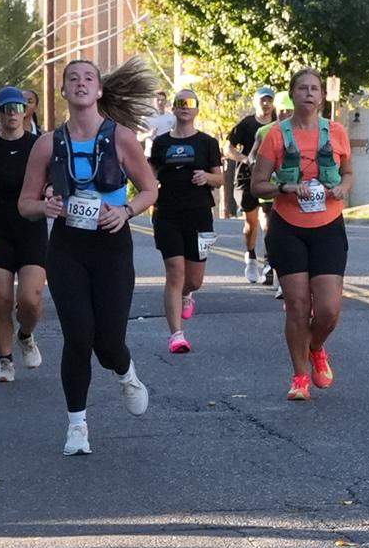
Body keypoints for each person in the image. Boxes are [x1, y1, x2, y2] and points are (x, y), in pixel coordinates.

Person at [18, 58, 162, 456]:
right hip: (68, 247)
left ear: (99, 90)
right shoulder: (48, 143)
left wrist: (126, 211)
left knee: (109, 342)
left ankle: (126, 373)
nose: (80, 83)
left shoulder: (121, 137)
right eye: (72, 79)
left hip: (111, 245)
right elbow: (25, 203)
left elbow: (150, 189)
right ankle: (77, 426)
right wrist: (44, 207)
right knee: (78, 337)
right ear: (63, 91)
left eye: (88, 78)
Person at [250, 69, 352, 399]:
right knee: (297, 304)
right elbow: (257, 185)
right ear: (292, 94)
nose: (309, 93)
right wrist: (286, 187)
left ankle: (316, 346)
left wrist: (343, 187)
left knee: (328, 309)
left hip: (328, 227)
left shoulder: (336, 132)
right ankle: (300, 378)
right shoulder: (275, 135)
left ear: (321, 96)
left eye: (314, 89)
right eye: (303, 88)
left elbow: (348, 173)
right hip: (288, 228)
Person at [0, 86, 47, 383]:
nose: (13, 114)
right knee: (1, 299)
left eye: (17, 108)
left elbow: (54, 178)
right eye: (7, 109)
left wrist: (51, 191)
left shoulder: (39, 145)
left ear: (25, 112)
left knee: (30, 299)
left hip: (32, 228)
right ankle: (5, 362)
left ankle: (26, 335)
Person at [149, 88, 223, 353]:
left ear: (196, 109)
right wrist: (147, 184)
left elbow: (219, 178)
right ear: (173, 108)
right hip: (167, 213)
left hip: (199, 214)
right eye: (179, 102)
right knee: (174, 272)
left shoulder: (207, 142)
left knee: (194, 280)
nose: (184, 106)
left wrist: (206, 177)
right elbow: (149, 173)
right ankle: (176, 335)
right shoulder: (161, 143)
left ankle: (187, 294)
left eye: (189, 102)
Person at [228, 87, 280, 289]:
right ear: (255, 102)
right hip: (246, 177)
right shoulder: (246, 124)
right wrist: (245, 159)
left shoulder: (278, 124)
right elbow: (228, 148)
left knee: (268, 221)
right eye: (262, 100)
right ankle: (251, 256)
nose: (266, 104)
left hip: (270, 178)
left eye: (269, 100)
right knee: (252, 223)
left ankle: (269, 264)